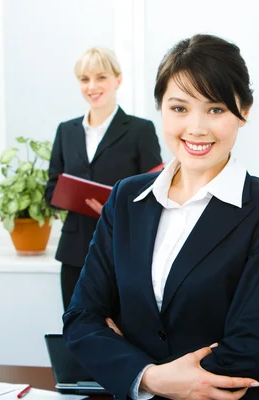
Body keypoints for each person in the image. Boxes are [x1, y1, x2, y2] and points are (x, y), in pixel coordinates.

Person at [62, 34, 259, 400]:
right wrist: (151, 378)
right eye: (179, 108)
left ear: (245, 111)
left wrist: (130, 359)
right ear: (160, 108)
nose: (197, 127)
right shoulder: (127, 198)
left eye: (216, 109)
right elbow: (81, 320)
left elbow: (255, 346)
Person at [45, 47, 163, 311]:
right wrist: (70, 196)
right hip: (75, 251)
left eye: (100, 77)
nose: (92, 86)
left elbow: (156, 192)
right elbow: (51, 189)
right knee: (76, 326)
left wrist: (114, 209)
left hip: (121, 248)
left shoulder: (140, 130)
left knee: (119, 330)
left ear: (117, 80)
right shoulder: (66, 131)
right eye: (84, 79)